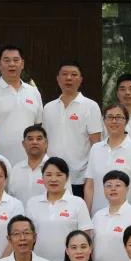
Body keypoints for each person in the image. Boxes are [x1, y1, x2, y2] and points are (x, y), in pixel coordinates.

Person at [42, 60, 101, 197]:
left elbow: (96, 143)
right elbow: (44, 141)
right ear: (58, 79)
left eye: (74, 74)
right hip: (52, 176)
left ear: (80, 79)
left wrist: (92, 175)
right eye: (64, 74)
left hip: (79, 177)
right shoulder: (48, 107)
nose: (69, 78)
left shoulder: (90, 106)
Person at [0, 45, 43, 164]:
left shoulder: (33, 92)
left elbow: (39, 125)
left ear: (22, 64)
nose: (12, 64)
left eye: (16, 60)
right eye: (7, 60)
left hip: (29, 162)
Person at [24, 157, 94, 261]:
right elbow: (27, 236)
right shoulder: (32, 203)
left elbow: (86, 237)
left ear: (67, 177)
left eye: (59, 175)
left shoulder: (78, 203)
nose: (53, 179)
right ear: (42, 177)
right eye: (48, 175)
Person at [85, 104, 131, 214]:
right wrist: (87, 215)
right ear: (104, 121)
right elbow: (90, 185)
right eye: (110, 117)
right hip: (99, 215)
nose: (114, 121)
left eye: (119, 117)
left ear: (126, 121)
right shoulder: (96, 148)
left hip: (128, 215)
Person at [91, 171, 131, 261]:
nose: (113, 189)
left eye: (118, 185)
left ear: (127, 189)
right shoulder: (98, 215)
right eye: (108, 186)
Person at [9, 124, 51, 204]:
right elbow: (10, 198)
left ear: (46, 143)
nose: (34, 142)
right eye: (30, 139)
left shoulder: (56, 167)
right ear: (23, 144)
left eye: (39, 139)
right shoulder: (16, 169)